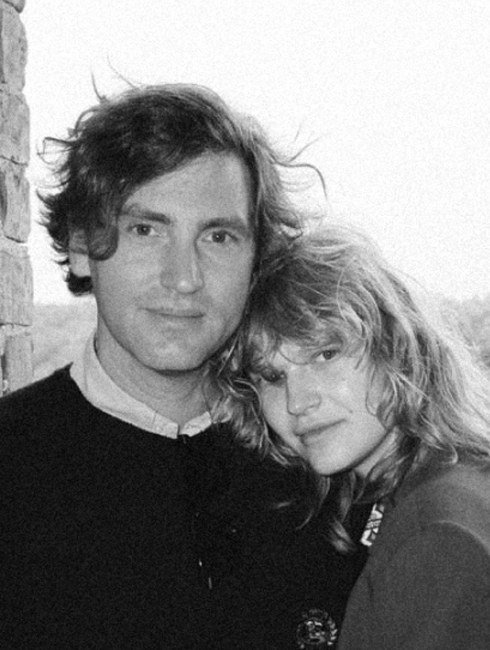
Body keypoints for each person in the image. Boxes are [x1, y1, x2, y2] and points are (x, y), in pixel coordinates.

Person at [0, 85, 369, 649]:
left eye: (218, 236)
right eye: (146, 229)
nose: (183, 278)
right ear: (81, 246)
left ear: (257, 259)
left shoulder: (327, 464)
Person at [218, 224, 490, 649]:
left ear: (398, 347)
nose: (297, 402)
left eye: (325, 354)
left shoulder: (438, 536)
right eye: (272, 376)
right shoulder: (431, 487)